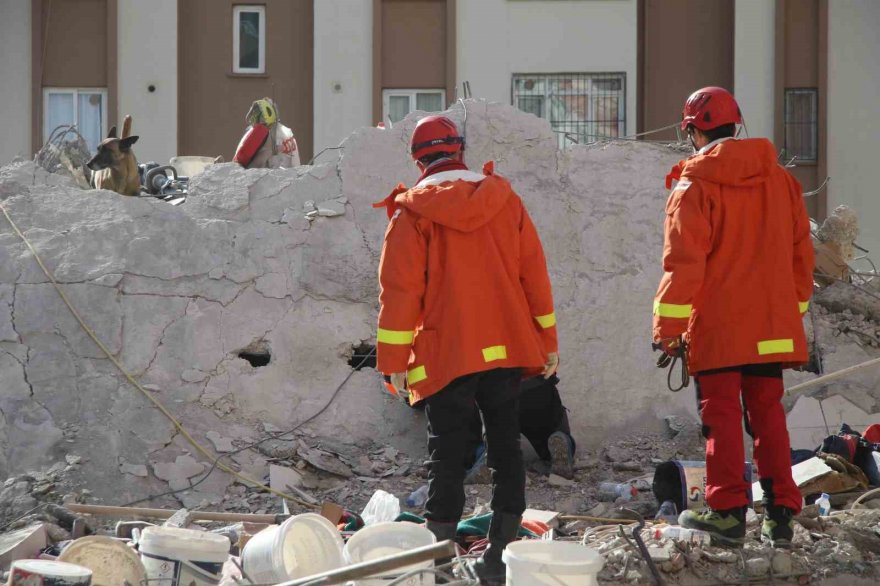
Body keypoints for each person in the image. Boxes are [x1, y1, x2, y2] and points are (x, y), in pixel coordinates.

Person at [375, 115, 558, 583]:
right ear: (461, 149)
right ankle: (500, 557)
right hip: (506, 346)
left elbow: (400, 294)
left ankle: (438, 564)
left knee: (447, 454)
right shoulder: (504, 199)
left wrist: (394, 364)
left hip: (446, 352)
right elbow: (533, 276)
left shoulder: (412, 214)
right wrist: (547, 342)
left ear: (418, 159)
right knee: (505, 446)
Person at [653, 87, 814, 548]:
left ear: (692, 130)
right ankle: (780, 515)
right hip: (771, 327)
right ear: (735, 123)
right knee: (768, 416)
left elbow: (683, 265)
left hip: (720, 329)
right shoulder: (781, 181)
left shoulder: (695, 184)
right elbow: (802, 254)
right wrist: (792, 310)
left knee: (720, 418)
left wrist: (666, 331)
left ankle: (727, 516)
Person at [464, 375, 576, 481]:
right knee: (552, 428)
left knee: (464, 395)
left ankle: (485, 456)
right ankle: (558, 439)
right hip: (535, 388)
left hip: (496, 396)